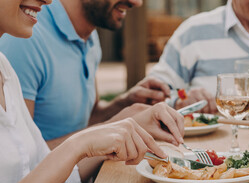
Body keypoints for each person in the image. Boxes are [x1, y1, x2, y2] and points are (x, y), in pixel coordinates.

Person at [0, 0, 181, 183]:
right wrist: (82, 143)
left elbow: (39, 167)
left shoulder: (5, 69)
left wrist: (124, 118)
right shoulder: (23, 43)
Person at [0, 0, 174, 150]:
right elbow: (24, 161)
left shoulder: (89, 35)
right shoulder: (24, 37)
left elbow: (87, 119)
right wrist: (111, 130)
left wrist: (125, 103)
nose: (137, 2)